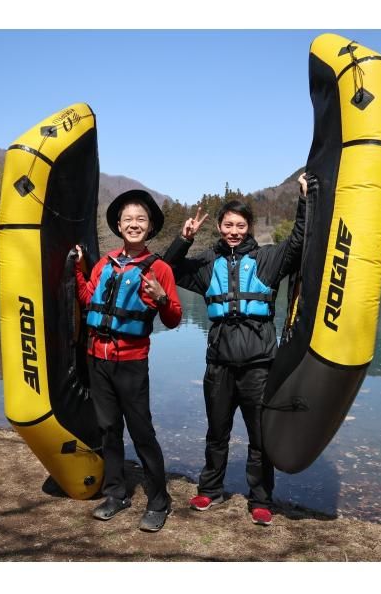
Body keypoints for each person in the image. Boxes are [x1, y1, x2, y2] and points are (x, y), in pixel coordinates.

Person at [163, 174, 308, 527]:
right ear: (218, 225)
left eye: (240, 225)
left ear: (249, 227)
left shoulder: (266, 260)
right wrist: (183, 239)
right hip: (219, 364)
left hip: (260, 365)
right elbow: (166, 269)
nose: (234, 230)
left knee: (260, 436)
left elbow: (299, 242)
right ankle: (210, 490)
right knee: (217, 432)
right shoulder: (206, 265)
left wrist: (304, 201)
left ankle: (260, 499)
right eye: (228, 224)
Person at [74, 189, 182, 533]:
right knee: (108, 429)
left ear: (149, 228)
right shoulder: (105, 263)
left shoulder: (160, 268)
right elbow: (89, 298)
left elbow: (174, 318)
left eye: (141, 220)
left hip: (132, 363)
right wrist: (78, 270)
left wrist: (162, 298)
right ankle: (116, 493)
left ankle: (158, 501)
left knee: (142, 432)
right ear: (119, 225)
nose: (134, 225)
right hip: (98, 360)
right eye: (128, 219)